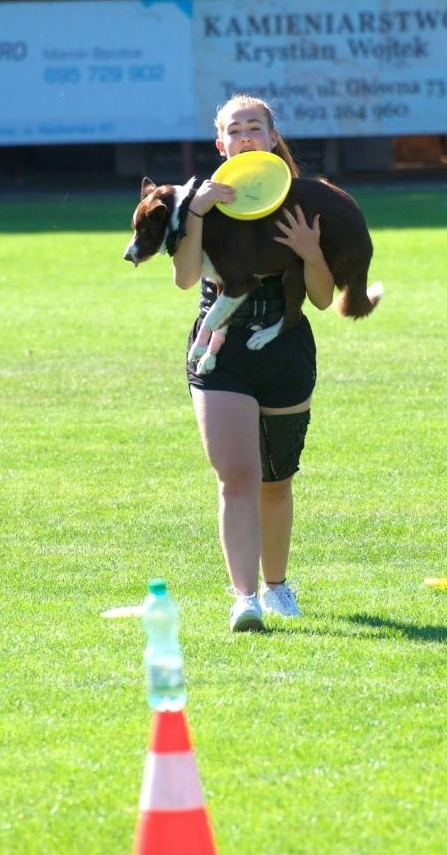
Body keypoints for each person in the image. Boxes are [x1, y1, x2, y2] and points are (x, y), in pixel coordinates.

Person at [172, 93, 336, 632]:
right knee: (235, 478)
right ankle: (244, 598)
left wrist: (312, 250)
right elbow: (186, 277)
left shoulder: (301, 199)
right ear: (220, 144)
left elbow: (319, 297)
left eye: (254, 127)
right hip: (222, 349)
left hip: (285, 345)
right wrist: (194, 213)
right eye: (234, 129)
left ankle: (277, 585)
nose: (244, 136)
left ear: (271, 138)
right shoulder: (202, 201)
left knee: (276, 479)